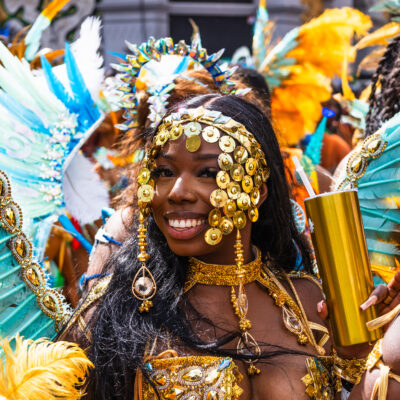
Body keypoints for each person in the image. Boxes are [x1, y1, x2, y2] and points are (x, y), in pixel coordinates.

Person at [62, 94, 400, 399]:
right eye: (164, 172)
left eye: (209, 173)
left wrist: (367, 354)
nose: (177, 192)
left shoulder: (309, 302)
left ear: (258, 191)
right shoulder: (119, 308)